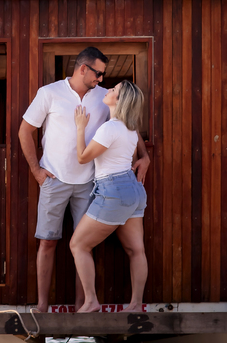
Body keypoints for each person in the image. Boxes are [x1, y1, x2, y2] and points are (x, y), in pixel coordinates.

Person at [18, 47, 149, 312]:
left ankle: (83, 307)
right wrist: (36, 171)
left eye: (104, 76)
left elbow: (128, 125)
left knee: (82, 245)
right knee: (47, 242)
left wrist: (145, 156)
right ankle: (42, 306)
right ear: (83, 69)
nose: (102, 80)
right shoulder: (49, 93)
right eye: (98, 74)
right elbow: (25, 131)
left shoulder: (104, 97)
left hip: (92, 185)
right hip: (53, 180)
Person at [68, 80, 148, 313]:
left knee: (78, 244)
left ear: (119, 101)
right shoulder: (130, 129)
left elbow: (83, 157)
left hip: (113, 190)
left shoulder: (109, 128)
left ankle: (91, 301)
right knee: (136, 250)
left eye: (114, 90)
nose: (109, 90)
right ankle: (135, 305)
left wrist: (80, 126)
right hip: (133, 190)